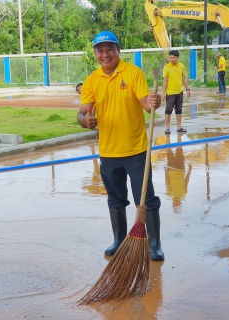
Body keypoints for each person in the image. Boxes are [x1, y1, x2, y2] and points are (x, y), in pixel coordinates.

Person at [77, 30, 164, 261]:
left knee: (146, 199)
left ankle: (154, 244)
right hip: (108, 151)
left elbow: (147, 104)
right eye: (100, 50)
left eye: (109, 49)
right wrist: (85, 120)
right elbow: (82, 112)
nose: (105, 54)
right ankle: (119, 240)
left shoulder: (133, 73)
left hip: (136, 149)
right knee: (115, 199)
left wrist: (154, 101)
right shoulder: (91, 81)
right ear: (95, 53)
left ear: (118, 51)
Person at [162, 50, 191, 135]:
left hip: (179, 92)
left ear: (177, 57)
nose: (172, 59)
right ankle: (167, 128)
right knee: (168, 109)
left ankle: (179, 127)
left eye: (174, 57)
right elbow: (165, 80)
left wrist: (187, 89)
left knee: (179, 110)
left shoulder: (181, 66)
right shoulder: (166, 67)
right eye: (170, 57)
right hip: (170, 92)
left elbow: (184, 78)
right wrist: (163, 93)